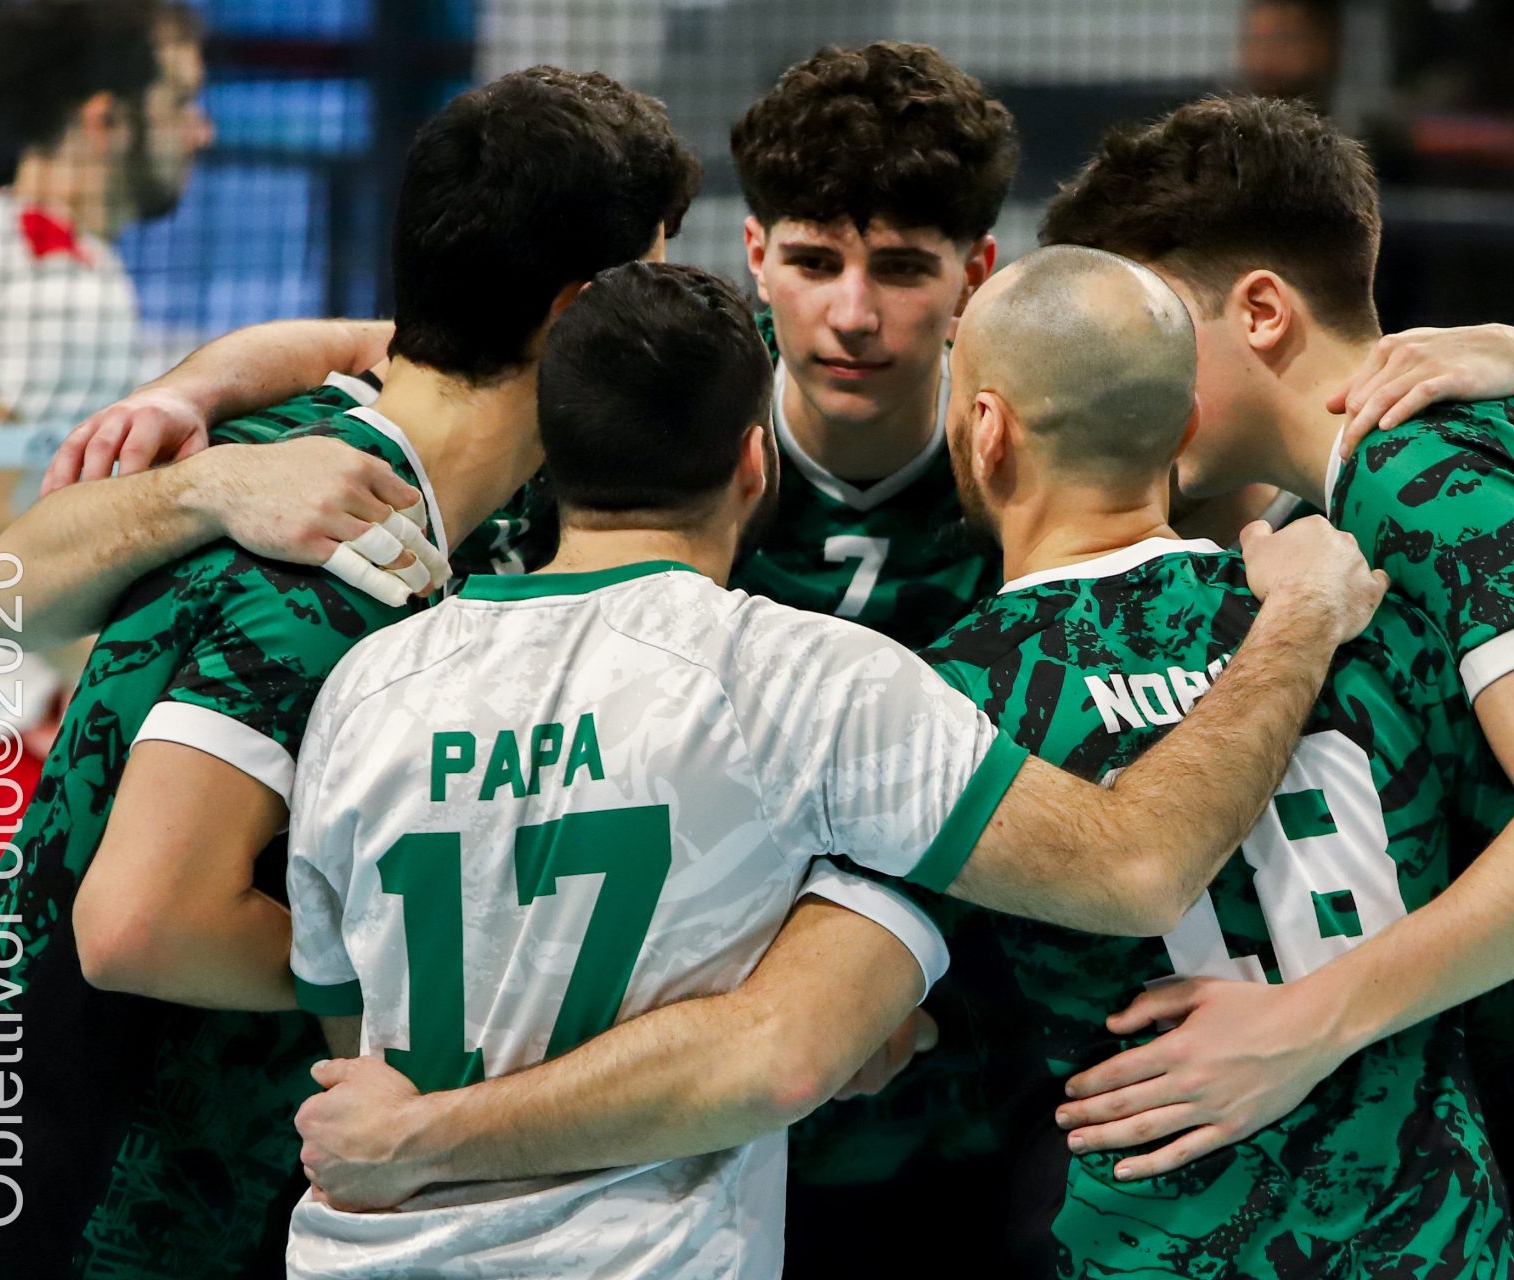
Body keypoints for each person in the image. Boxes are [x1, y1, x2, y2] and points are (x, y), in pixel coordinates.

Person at [278, 255, 1385, 1280]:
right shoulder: (803, 677)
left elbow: (352, 1024)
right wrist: (1300, 619)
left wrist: (417, 1133)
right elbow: (1133, 867)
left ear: (549, 455)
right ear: (754, 461)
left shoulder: (365, 686)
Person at [0, 66, 695, 1280]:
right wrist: (444, 976)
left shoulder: (369, 446)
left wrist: (198, 392)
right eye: (649, 276)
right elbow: (141, 923)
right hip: (59, 1183)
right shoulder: (335, 557)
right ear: (579, 310)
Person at [1040, 93, 1514, 1278]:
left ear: (1262, 310)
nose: (1125, 381)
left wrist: (1296, 1028)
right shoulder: (1492, 436)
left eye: (1148, 333)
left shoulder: (1409, 473)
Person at [920, 242, 1514, 1277]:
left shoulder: (952, 697)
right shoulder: (1367, 615)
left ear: (987, 427)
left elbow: (866, 1016)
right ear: (1186, 423)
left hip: (1152, 1248)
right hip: (1439, 1243)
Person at [0, 0, 211, 980]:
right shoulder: (67, 290)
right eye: (180, 101)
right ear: (103, 120)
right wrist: (96, 666)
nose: (201, 130)